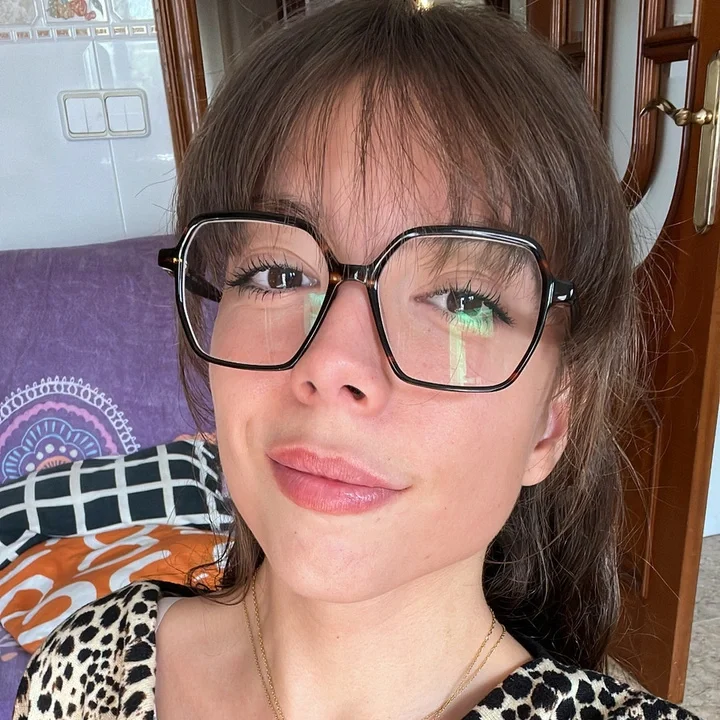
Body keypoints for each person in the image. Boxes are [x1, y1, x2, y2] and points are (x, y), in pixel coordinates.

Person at [13, 1, 702, 718]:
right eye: (278, 273)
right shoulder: (84, 668)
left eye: (462, 299)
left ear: (550, 424)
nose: (333, 362)